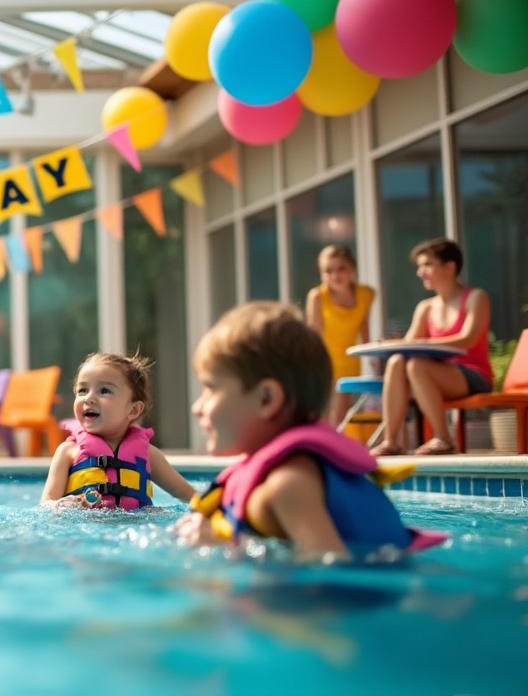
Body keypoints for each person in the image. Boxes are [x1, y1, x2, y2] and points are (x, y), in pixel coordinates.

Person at [177, 302, 446, 560]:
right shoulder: (287, 476)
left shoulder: (290, 483)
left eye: (211, 388)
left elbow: (328, 572)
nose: (196, 407)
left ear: (266, 399)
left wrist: (220, 546)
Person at [371, 238, 493, 456]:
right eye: (419, 266)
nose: (420, 272)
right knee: (397, 361)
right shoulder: (425, 307)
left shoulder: (476, 298)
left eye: (427, 265)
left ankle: (443, 438)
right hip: (432, 375)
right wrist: (389, 344)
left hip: (473, 376)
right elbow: (408, 345)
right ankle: (391, 441)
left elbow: (468, 339)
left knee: (416, 365)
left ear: (450, 266)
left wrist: (422, 343)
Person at [40, 353, 195, 507]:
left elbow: (191, 497)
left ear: (133, 410)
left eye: (104, 391)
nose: (89, 398)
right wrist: (67, 504)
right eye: (82, 390)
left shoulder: (148, 454)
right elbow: (46, 506)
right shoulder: (67, 452)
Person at [304, 245, 375, 428]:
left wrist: (371, 355)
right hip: (324, 359)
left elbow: (363, 325)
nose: (335, 275)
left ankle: (332, 450)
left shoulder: (366, 294)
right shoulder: (318, 296)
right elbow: (314, 333)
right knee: (321, 412)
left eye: (341, 268)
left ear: (352, 269)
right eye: (328, 270)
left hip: (349, 359)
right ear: (321, 274)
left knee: (340, 415)